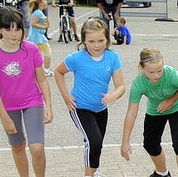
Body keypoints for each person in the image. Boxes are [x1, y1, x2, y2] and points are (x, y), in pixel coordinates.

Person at [0, 7, 53, 177]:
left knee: (37, 148)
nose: (13, 34)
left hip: (32, 101)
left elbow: (42, 79)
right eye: (8, 29)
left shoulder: (32, 49)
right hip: (8, 105)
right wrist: (4, 117)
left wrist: (48, 105)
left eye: (17, 29)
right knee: (18, 145)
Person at [53, 18, 126, 177]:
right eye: (91, 41)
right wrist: (66, 96)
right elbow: (57, 72)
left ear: (107, 39)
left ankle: (94, 172)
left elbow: (121, 86)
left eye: (101, 40)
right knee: (93, 141)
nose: (97, 45)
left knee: (97, 143)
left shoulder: (112, 57)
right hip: (80, 108)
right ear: (84, 40)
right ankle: (89, 175)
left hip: (101, 108)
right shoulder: (76, 58)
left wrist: (113, 95)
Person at [120, 48, 178, 177]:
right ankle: (162, 173)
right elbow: (131, 113)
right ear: (141, 68)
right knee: (150, 144)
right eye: (151, 72)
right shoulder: (138, 83)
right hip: (156, 110)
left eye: (159, 71)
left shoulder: (170, 73)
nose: (156, 75)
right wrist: (125, 141)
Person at [26, 0, 53, 76]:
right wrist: (44, 27)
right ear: (40, 4)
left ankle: (36, 70)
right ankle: (46, 70)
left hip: (35, 36)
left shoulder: (36, 12)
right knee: (48, 52)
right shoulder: (38, 13)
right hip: (38, 36)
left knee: (38, 54)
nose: (46, 2)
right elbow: (33, 24)